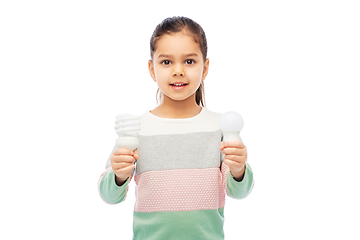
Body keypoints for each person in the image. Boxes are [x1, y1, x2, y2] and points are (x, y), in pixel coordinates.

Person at [98, 16, 254, 240]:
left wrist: (239, 170)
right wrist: (118, 175)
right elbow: (109, 196)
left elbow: (239, 192)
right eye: (166, 62)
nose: (178, 71)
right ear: (152, 69)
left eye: (189, 61)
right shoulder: (136, 130)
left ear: (205, 67)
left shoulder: (220, 127)